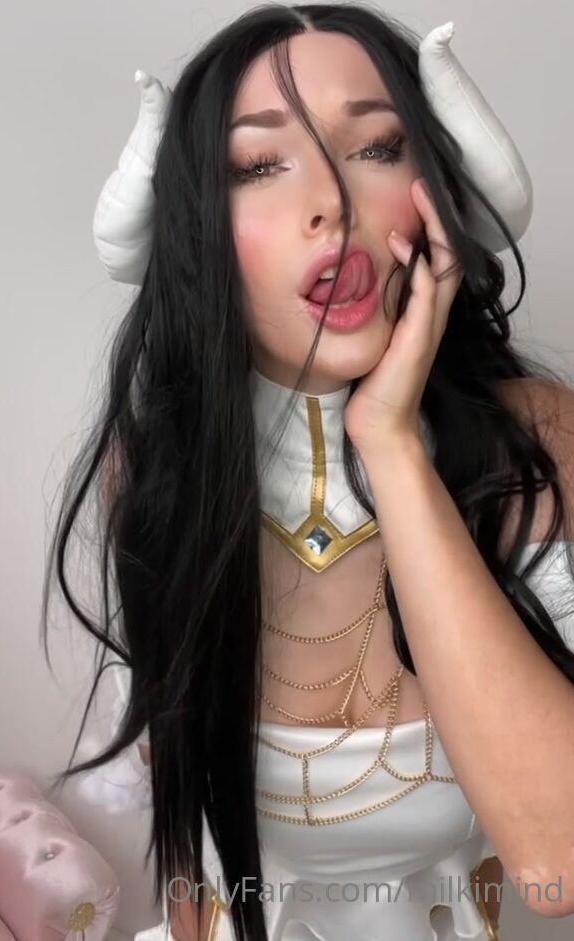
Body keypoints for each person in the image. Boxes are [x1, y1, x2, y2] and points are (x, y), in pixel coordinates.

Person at [41, 4, 574, 939]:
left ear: (434, 196)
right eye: (258, 165)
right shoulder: (160, 470)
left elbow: (555, 864)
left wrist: (391, 441)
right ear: (200, 235)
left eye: (377, 148)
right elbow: (191, 844)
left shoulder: (538, 438)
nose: (332, 198)